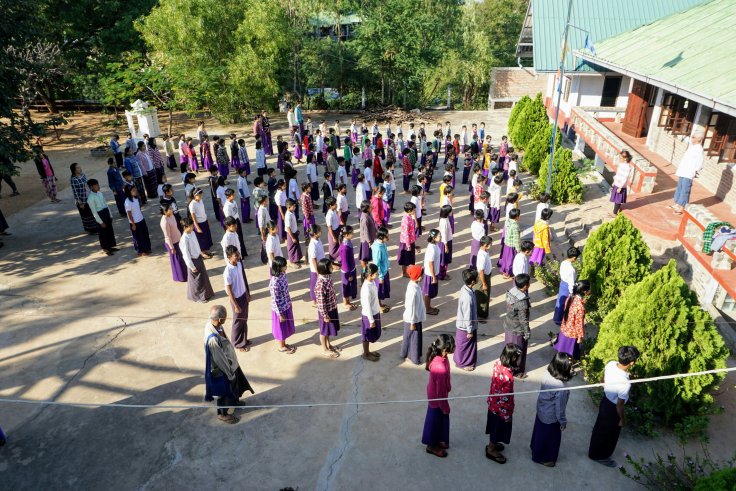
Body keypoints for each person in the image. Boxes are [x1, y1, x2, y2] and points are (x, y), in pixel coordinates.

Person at [588, 345, 640, 467]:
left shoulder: (611, 364)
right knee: (610, 434)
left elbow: (602, 378)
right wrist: (622, 419)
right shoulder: (625, 383)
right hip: (613, 410)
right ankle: (601, 456)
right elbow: (619, 405)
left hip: (605, 401)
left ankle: (593, 452)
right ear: (632, 363)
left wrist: (605, 386)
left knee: (599, 428)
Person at [203, 304, 254, 424]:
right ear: (220, 319)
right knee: (225, 391)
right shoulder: (213, 339)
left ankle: (235, 401)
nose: (227, 319)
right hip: (224, 369)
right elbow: (220, 360)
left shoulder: (217, 325)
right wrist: (229, 374)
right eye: (225, 317)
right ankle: (223, 414)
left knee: (235, 385)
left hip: (231, 363)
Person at [530, 352, 573, 467]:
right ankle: (543, 458)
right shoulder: (562, 387)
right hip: (551, 417)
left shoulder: (547, 373)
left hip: (541, 409)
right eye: (570, 365)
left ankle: (534, 448)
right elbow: (560, 409)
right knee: (549, 439)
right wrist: (563, 422)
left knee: (539, 432)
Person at [485, 343, 523, 464]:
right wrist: (508, 414)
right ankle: (491, 449)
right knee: (498, 428)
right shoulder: (508, 377)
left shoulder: (497, 362)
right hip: (501, 409)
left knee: (493, 426)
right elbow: (505, 397)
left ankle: (493, 443)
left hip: (492, 403)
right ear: (513, 358)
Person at [421, 334, 455, 458]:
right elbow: (439, 393)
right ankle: (431, 445)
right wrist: (445, 406)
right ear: (445, 348)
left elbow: (448, 373)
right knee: (435, 421)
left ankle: (439, 438)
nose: (455, 346)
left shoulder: (443, 357)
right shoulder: (439, 367)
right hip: (437, 398)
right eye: (453, 345)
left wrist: (448, 385)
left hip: (440, 393)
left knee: (441, 419)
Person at [180, 217, 215, 303]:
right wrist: (191, 266)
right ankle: (198, 297)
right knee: (197, 281)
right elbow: (186, 254)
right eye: (190, 226)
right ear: (185, 227)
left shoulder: (192, 233)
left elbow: (196, 244)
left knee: (203, 277)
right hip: (192, 261)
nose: (192, 227)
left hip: (198, 258)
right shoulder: (184, 239)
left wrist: (201, 253)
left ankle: (206, 294)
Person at [223, 246, 251, 352]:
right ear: (229, 257)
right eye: (236, 255)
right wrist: (236, 305)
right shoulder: (227, 272)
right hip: (236, 299)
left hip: (243, 295)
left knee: (244, 319)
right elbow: (229, 291)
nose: (238, 256)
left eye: (238, 254)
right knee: (238, 321)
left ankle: (244, 340)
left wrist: (247, 294)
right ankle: (237, 343)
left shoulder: (239, 264)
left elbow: (242, 280)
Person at [554, 280, 590, 360]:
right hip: (572, 334)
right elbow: (579, 323)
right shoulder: (580, 307)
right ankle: (566, 368)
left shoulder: (570, 298)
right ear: (585, 291)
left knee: (561, 352)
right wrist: (580, 337)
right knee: (569, 355)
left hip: (565, 328)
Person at [504, 274, 531, 378]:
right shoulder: (522, 302)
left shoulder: (511, 292)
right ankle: (516, 372)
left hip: (508, 325)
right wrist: (527, 332)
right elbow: (523, 320)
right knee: (517, 351)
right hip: (517, 330)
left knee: (509, 350)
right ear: (525, 286)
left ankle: (507, 366)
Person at [671, 132, 704, 215]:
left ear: (699, 139)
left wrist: (694, 170)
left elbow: (700, 162)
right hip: (683, 171)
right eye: (692, 137)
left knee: (685, 189)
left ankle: (681, 207)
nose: (692, 138)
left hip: (689, 172)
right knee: (680, 187)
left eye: (693, 137)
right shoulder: (692, 147)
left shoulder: (699, 149)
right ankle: (677, 203)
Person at [454, 268, 479, 371]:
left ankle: (461, 360)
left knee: (462, 345)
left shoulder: (465, 288)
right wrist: (469, 330)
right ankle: (463, 363)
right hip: (465, 327)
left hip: (465, 324)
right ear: (473, 281)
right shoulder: (467, 297)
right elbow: (467, 315)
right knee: (465, 346)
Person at [315, 258, 341, 358]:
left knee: (329, 330)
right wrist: (325, 315)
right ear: (325, 269)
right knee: (323, 331)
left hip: (332, 307)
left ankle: (329, 345)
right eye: (330, 266)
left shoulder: (328, 276)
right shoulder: (320, 284)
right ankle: (324, 349)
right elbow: (321, 303)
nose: (332, 267)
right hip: (325, 312)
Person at [401, 265, 426, 365]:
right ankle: (412, 357)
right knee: (413, 338)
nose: (422, 276)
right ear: (417, 276)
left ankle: (406, 353)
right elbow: (411, 307)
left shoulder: (414, 285)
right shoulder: (413, 290)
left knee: (411, 336)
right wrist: (412, 322)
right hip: (412, 319)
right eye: (421, 275)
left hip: (415, 317)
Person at [359, 263, 383, 362]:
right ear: (370, 275)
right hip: (369, 315)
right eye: (376, 273)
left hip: (375, 312)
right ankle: (365, 353)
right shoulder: (366, 288)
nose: (378, 275)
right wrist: (371, 320)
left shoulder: (372, 282)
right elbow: (367, 306)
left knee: (372, 334)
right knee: (366, 334)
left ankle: (368, 351)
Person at [87, 179, 117, 256]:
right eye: (96, 186)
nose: (98, 187)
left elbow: (106, 204)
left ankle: (110, 246)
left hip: (105, 212)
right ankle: (106, 248)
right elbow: (94, 212)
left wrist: (110, 215)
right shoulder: (90, 198)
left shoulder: (100, 193)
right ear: (91, 187)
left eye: (98, 185)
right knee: (103, 233)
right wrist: (100, 222)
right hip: (100, 215)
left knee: (109, 230)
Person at [160, 203, 187, 282]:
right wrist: (172, 248)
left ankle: (185, 274)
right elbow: (167, 236)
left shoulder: (172, 216)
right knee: (177, 260)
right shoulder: (164, 222)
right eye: (170, 209)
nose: (172, 210)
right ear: (165, 211)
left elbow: (176, 228)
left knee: (182, 258)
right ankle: (180, 277)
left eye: (171, 208)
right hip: (172, 243)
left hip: (178, 240)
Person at [553, 247, 581, 325]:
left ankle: (556, 318)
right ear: (574, 258)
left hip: (562, 283)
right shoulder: (571, 269)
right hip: (567, 287)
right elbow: (571, 283)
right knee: (564, 304)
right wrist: (572, 293)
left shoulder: (563, 262)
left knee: (559, 301)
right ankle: (560, 321)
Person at [70, 163, 98, 233]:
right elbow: (75, 192)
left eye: (80, 167)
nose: (80, 169)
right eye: (77, 168)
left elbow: (88, 186)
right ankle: (91, 230)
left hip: (88, 198)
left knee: (92, 213)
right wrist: (80, 203)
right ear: (74, 170)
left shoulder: (83, 175)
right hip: (82, 201)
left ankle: (95, 228)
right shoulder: (74, 180)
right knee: (86, 215)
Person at [124, 186, 151, 256]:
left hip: (141, 219)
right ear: (129, 192)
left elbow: (139, 208)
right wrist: (133, 224)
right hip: (135, 222)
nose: (135, 191)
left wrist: (139, 197)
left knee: (145, 235)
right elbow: (129, 214)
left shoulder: (136, 198)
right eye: (133, 190)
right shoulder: (127, 202)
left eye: (135, 189)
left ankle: (147, 248)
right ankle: (140, 251)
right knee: (138, 237)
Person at [188, 188, 214, 258]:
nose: (200, 197)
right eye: (199, 195)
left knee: (206, 237)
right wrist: (197, 227)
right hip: (199, 223)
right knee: (201, 239)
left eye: (201, 195)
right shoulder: (192, 204)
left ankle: (205, 251)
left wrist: (207, 220)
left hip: (204, 221)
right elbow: (193, 217)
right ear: (194, 195)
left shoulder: (201, 201)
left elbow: (203, 211)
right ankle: (202, 253)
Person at [370, 227, 391, 311]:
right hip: (380, 273)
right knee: (379, 290)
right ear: (382, 237)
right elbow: (376, 264)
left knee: (383, 289)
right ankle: (378, 305)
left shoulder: (382, 244)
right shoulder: (378, 248)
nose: (388, 237)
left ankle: (380, 304)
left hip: (384, 270)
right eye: (387, 235)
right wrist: (380, 276)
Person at [422, 229, 442, 315]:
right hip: (430, 274)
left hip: (434, 273)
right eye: (439, 236)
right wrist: (433, 276)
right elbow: (430, 264)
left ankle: (429, 307)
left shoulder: (435, 245)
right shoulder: (432, 249)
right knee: (428, 292)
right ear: (434, 238)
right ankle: (427, 309)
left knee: (430, 292)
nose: (440, 237)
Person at [498, 208, 521, 279]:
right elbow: (516, 239)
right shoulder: (515, 226)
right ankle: (507, 273)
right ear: (516, 216)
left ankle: (503, 269)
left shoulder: (507, 221)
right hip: (512, 246)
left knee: (505, 258)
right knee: (510, 260)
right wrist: (518, 249)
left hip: (506, 244)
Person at [338, 225, 357, 308]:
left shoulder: (348, 242)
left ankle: (348, 301)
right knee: (346, 287)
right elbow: (345, 263)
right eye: (351, 233)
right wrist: (349, 275)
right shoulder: (345, 248)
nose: (352, 234)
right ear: (346, 235)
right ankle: (345, 302)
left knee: (349, 286)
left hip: (351, 269)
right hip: (347, 271)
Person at [397, 202, 418, 277]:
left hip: (410, 241)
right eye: (414, 210)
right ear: (409, 211)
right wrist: (408, 245)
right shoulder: (406, 220)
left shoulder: (409, 216)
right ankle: (404, 272)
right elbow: (406, 234)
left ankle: (407, 271)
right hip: (406, 242)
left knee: (410, 258)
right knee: (405, 259)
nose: (415, 212)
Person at [475, 236, 493, 319]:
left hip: (486, 276)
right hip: (483, 277)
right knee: (483, 297)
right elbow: (481, 271)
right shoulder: (482, 256)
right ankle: (481, 316)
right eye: (490, 244)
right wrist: (484, 283)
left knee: (486, 295)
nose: (491, 245)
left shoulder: (485, 252)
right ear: (485, 244)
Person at [284, 199, 303, 266]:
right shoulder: (288, 216)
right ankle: (292, 262)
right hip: (290, 234)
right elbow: (288, 227)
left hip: (294, 232)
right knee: (292, 247)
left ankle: (297, 259)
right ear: (289, 207)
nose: (295, 208)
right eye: (293, 206)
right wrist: (292, 238)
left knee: (296, 246)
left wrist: (296, 230)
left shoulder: (292, 213)